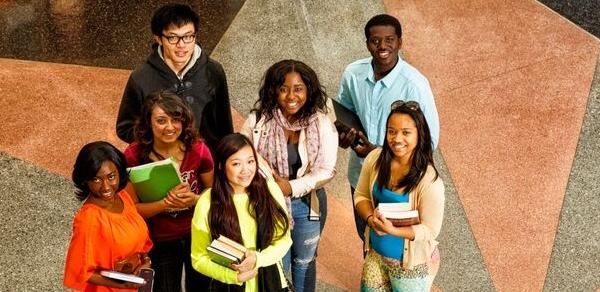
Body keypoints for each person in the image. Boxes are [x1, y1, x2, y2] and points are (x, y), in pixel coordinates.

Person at [335, 14, 440, 243]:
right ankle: (372, 277)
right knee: (367, 235)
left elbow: (429, 142)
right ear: (367, 44)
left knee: (395, 243)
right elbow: (343, 113)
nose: (383, 46)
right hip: (361, 175)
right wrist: (342, 136)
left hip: (400, 184)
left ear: (399, 42)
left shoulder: (415, 85)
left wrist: (377, 154)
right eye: (375, 40)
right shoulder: (353, 73)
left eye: (389, 40)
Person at [241, 59, 338, 292]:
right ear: (274, 90)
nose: (290, 96)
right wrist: (273, 187)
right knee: (278, 263)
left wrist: (291, 188)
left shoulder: (321, 122)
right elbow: (243, 156)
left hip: (308, 203)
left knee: (305, 261)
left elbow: (326, 170)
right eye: (283, 88)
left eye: (298, 89)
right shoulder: (258, 120)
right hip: (269, 203)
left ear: (308, 90)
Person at [123, 90, 214, 291]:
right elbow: (132, 209)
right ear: (148, 122)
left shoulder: (197, 149)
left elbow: (214, 192)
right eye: (161, 121)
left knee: (201, 288)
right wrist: (165, 204)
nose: (170, 127)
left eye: (176, 120)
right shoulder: (134, 156)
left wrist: (195, 199)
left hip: (197, 234)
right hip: (159, 240)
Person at [116, 3, 233, 152]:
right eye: (173, 38)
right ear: (158, 39)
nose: (181, 45)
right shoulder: (140, 78)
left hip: (205, 162)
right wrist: (160, 139)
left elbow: (224, 125)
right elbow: (125, 128)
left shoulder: (213, 71)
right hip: (162, 161)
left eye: (188, 36)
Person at [354, 100, 444, 291]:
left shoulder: (429, 181)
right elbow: (360, 195)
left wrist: (392, 231)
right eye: (391, 131)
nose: (397, 138)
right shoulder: (375, 159)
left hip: (412, 265)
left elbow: (430, 230)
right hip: (376, 256)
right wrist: (371, 219)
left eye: (406, 132)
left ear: (420, 135)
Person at [190, 133, 292, 291]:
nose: (246, 170)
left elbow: (284, 241)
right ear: (221, 166)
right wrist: (233, 276)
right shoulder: (207, 202)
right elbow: (198, 259)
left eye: (250, 161)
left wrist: (258, 259)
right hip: (229, 285)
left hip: (270, 282)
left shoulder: (269, 190)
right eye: (236, 164)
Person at [64, 141, 153, 291]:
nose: (105, 187)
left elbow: (140, 242)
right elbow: (81, 272)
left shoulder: (123, 196)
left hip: (133, 285)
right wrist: (123, 284)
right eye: (96, 179)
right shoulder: (88, 219)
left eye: (111, 177)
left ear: (120, 172)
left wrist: (146, 261)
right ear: (86, 181)